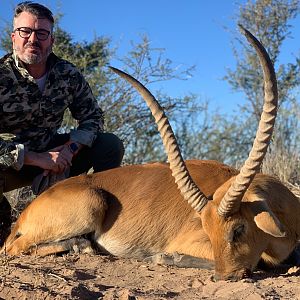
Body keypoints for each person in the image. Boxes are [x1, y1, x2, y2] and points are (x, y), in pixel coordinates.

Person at [0, 1, 124, 244]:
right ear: (14, 37)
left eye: (42, 33)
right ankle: (6, 226)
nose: (33, 39)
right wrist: (37, 158)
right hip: (11, 163)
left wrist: (69, 150)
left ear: (51, 40)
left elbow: (93, 118)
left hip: (57, 157)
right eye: (26, 31)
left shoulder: (67, 74)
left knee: (109, 145)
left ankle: (103, 224)